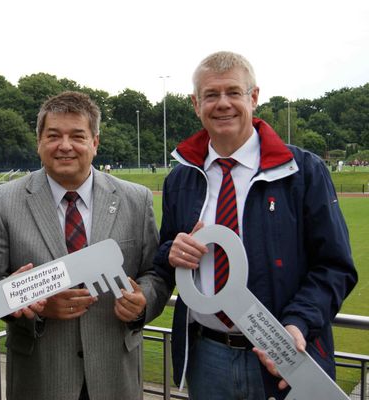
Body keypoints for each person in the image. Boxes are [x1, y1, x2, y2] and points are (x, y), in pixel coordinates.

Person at [153, 51, 357, 400]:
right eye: (211, 95)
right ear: (195, 103)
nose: (223, 104)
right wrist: (171, 251)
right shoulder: (181, 179)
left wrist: (297, 322)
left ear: (254, 97)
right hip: (207, 357)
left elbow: (335, 267)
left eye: (233, 92)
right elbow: (165, 255)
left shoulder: (304, 171)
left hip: (282, 355)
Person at [0, 91, 169, 400]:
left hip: (115, 375)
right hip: (41, 377)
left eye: (77, 136)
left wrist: (142, 303)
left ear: (95, 143)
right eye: (53, 135)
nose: (65, 146)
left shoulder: (136, 200)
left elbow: (155, 272)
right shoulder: (0, 202)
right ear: (39, 142)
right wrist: (37, 308)